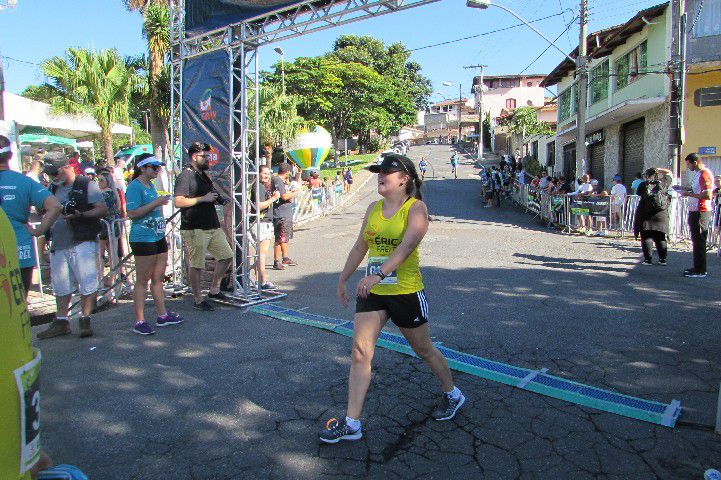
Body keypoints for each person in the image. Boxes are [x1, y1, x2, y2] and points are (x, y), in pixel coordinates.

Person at [319, 153, 464, 444]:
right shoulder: (373, 209)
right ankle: (352, 423)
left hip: (405, 292)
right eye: (378, 171)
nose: (380, 175)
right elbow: (360, 246)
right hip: (373, 294)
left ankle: (453, 394)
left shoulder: (416, 208)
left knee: (423, 349)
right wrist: (343, 278)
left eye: (387, 171)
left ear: (404, 179)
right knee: (360, 352)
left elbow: (408, 246)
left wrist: (379, 274)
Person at [38, 152, 108, 339]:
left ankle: (85, 318)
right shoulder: (51, 188)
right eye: (49, 174)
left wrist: (81, 214)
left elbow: (102, 209)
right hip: (59, 242)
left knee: (87, 282)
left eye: (54, 172)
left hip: (82, 240)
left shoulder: (86, 184)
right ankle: (61, 321)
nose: (52, 177)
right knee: (60, 285)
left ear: (66, 167)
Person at [174, 142, 234, 310]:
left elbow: (210, 193)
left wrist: (219, 199)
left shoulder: (201, 174)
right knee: (197, 264)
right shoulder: (185, 176)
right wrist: (202, 199)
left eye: (208, 155)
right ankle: (198, 299)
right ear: (195, 157)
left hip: (212, 224)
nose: (208, 159)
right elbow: (178, 201)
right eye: (205, 156)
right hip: (194, 227)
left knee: (226, 255)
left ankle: (214, 289)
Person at [126, 154, 183, 335]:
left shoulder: (150, 185)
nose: (157, 170)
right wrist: (156, 203)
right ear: (142, 168)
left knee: (158, 277)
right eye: (154, 167)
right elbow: (132, 213)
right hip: (143, 238)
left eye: (158, 167)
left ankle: (162, 315)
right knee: (142, 279)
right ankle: (139, 320)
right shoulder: (134, 186)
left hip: (157, 236)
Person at [0, 135, 62, 297]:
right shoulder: (24, 181)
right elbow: (55, 206)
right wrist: (38, 230)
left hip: (8, 251)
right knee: (19, 303)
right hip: (21, 248)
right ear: (11, 156)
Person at [680, 153, 714, 278]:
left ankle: (701, 270)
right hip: (695, 210)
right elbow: (697, 191)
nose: (687, 166)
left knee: (700, 240)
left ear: (695, 162)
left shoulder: (704, 174)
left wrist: (689, 194)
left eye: (688, 164)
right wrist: (685, 190)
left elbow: (708, 195)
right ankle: (697, 267)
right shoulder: (699, 174)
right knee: (696, 240)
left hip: (701, 211)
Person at [251, 164, 281, 289]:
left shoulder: (261, 187)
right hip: (261, 223)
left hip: (264, 223)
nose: (267, 176)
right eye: (264, 173)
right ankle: (262, 281)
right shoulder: (258, 187)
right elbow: (258, 205)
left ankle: (259, 279)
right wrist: (273, 198)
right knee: (261, 254)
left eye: (268, 173)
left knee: (260, 254)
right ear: (258, 174)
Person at [633, 168, 671, 266]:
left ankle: (648, 260)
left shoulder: (644, 184)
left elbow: (638, 193)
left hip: (645, 214)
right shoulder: (663, 183)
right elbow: (669, 172)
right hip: (661, 214)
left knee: (646, 237)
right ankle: (662, 259)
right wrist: (658, 169)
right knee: (661, 237)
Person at [272, 162, 301, 270]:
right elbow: (283, 197)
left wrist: (290, 193)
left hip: (286, 214)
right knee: (280, 238)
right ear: (287, 171)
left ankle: (285, 257)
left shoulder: (280, 181)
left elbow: (284, 195)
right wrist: (295, 192)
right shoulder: (277, 180)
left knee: (285, 238)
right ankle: (276, 261)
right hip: (281, 215)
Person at [96, 171, 121, 293]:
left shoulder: (106, 194)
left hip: (105, 225)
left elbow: (103, 209)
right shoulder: (113, 193)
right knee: (111, 254)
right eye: (98, 180)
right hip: (111, 225)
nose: (99, 182)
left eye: (102, 180)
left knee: (103, 254)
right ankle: (109, 279)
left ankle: (103, 279)